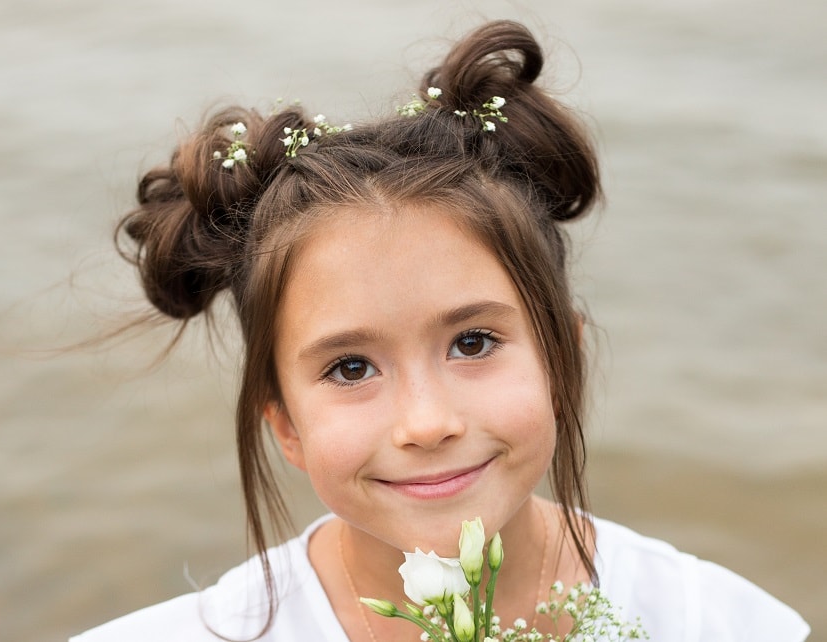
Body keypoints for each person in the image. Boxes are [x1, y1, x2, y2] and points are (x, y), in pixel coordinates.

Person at [71, 20, 810, 642]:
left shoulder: (719, 623)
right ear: (285, 425)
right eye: (351, 368)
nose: (426, 424)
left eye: (474, 342)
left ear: (565, 360)